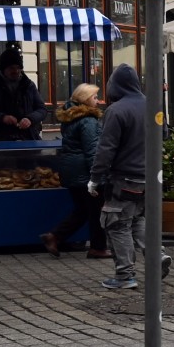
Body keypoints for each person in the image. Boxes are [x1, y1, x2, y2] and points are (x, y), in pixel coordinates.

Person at [90, 65, 161, 290]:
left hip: (124, 179)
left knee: (117, 224)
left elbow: (106, 148)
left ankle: (124, 276)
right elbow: (164, 135)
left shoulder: (116, 110)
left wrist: (95, 177)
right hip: (150, 178)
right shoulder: (154, 105)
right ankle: (157, 257)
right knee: (138, 219)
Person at [41, 83, 105, 257]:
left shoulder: (70, 118)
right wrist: (97, 176)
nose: (98, 101)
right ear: (85, 99)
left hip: (71, 170)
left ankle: (54, 236)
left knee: (83, 209)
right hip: (84, 172)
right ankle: (98, 248)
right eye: (95, 97)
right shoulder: (88, 121)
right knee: (96, 210)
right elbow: (92, 150)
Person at [0, 48, 46, 141]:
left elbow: (42, 109)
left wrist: (30, 119)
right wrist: (2, 117)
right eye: (11, 68)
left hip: (28, 137)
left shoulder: (29, 85)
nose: (15, 71)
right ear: (3, 68)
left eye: (18, 67)